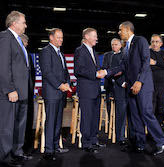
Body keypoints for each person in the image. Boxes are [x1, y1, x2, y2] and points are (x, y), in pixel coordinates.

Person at [102, 21, 164, 155]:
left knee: (146, 113)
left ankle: (161, 141)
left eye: (120, 30)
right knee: (135, 116)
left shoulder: (140, 40)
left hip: (142, 85)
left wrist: (139, 81)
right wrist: (105, 72)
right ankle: (139, 144)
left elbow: (145, 61)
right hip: (131, 87)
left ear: (127, 29)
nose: (119, 33)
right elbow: (122, 67)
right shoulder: (126, 47)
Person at [0, 11, 33, 167]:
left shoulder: (16, 40)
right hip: (9, 92)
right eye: (23, 22)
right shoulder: (4, 37)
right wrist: (10, 89)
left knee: (18, 126)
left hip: (21, 92)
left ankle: (17, 152)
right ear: (14, 23)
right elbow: (2, 66)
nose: (26, 25)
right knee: (7, 126)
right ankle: (5, 158)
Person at [39, 28, 71, 160]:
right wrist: (60, 85)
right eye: (58, 37)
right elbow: (47, 73)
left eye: (62, 38)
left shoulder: (61, 54)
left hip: (61, 93)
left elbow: (65, 72)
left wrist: (68, 83)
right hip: (52, 92)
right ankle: (49, 150)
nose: (61, 40)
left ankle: (56, 146)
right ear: (51, 38)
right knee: (51, 121)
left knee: (58, 121)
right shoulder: (46, 52)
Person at [74, 28, 106, 154]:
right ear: (87, 36)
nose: (96, 39)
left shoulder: (93, 51)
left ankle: (93, 139)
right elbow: (78, 70)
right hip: (86, 90)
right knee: (87, 117)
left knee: (95, 116)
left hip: (96, 90)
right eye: (94, 36)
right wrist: (95, 74)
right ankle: (86, 143)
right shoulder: (80, 51)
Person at [102, 38, 127, 144]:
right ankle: (111, 131)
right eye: (112, 44)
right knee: (110, 111)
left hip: (121, 87)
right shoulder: (107, 55)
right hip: (109, 87)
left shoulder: (124, 56)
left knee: (121, 112)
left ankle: (120, 137)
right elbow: (105, 69)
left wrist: (120, 81)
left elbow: (124, 71)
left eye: (116, 44)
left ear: (121, 45)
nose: (114, 46)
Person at [149, 34, 164, 126]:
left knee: (161, 108)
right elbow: (149, 67)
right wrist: (162, 63)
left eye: (157, 42)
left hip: (163, 84)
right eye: (153, 41)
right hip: (151, 84)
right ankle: (151, 130)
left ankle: (159, 128)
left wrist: (156, 62)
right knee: (152, 108)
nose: (154, 44)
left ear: (161, 44)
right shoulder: (147, 52)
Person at [20, 34, 36, 152]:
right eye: (25, 42)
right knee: (20, 121)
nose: (27, 44)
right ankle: (20, 147)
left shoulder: (28, 56)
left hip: (28, 92)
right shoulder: (16, 54)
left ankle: (27, 144)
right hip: (19, 93)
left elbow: (32, 73)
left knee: (28, 119)